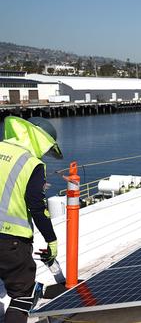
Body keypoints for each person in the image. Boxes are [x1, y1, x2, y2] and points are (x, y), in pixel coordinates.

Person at [1, 116, 62, 323]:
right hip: (11, 240)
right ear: (41, 140)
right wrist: (51, 240)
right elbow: (36, 207)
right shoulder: (31, 163)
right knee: (22, 296)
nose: (45, 154)